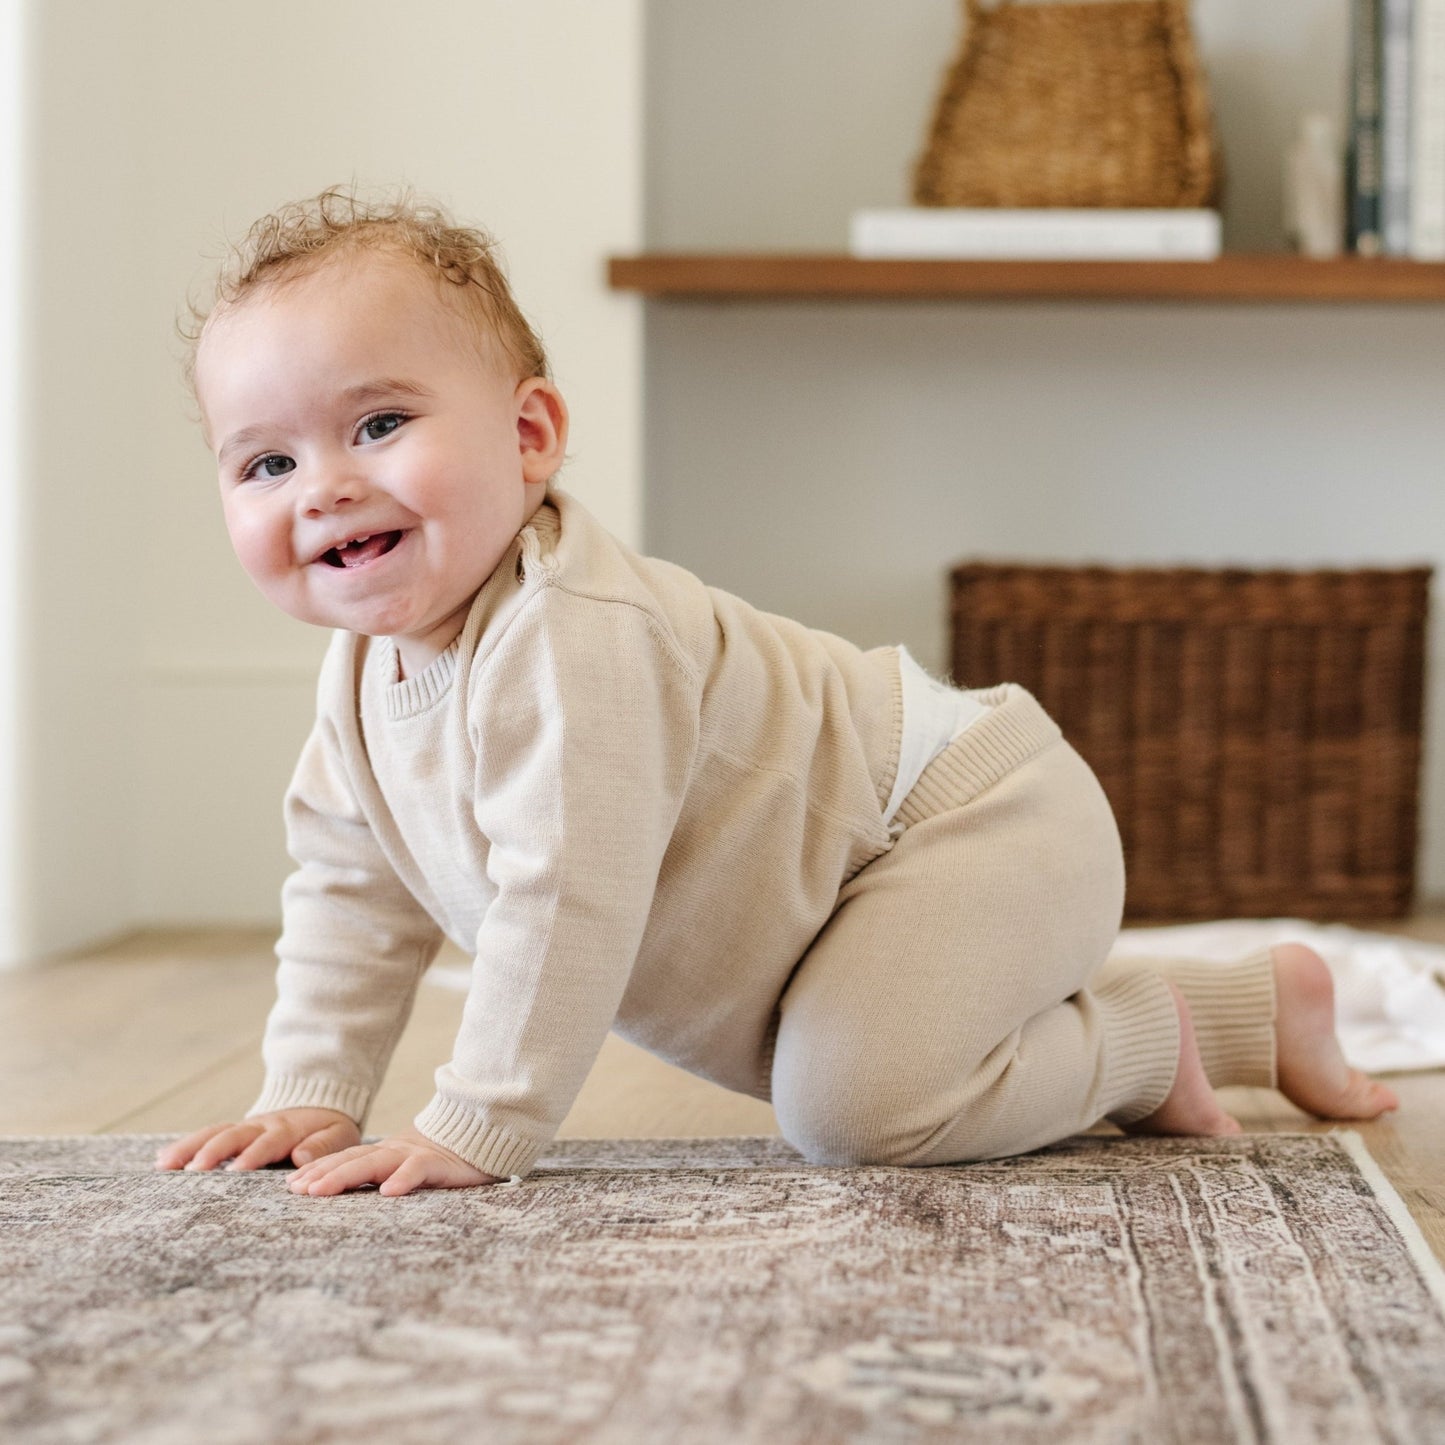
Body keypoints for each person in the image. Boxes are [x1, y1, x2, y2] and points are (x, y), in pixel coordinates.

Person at [156, 188, 1398, 1198]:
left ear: (529, 436)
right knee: (839, 1070)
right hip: (867, 886)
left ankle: (1150, 1026)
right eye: (266, 460)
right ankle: (1251, 1006)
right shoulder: (363, 677)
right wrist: (310, 1090)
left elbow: (565, 901)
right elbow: (350, 887)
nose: (319, 486)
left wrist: (478, 1123)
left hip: (973, 820)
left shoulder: (570, 636)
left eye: (377, 424)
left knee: (858, 1106)